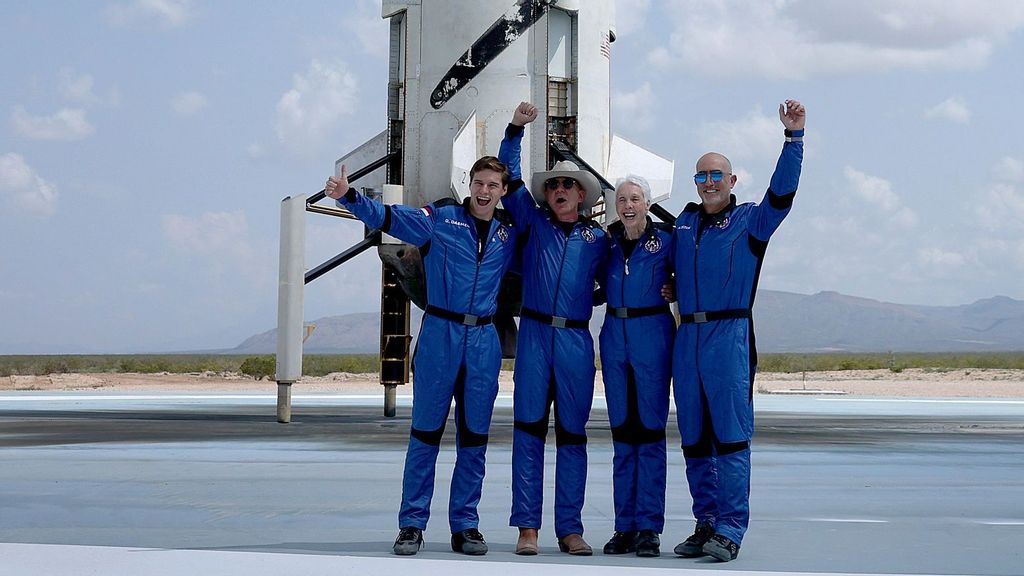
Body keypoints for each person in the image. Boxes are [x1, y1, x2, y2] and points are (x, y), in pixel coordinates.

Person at [325, 155, 518, 557]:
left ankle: (466, 525)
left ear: (502, 191)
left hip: (483, 340)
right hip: (440, 336)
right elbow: (391, 218)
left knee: (475, 439)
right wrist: (350, 198)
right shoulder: (440, 218)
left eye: (493, 186)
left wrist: (515, 131)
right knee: (425, 435)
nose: (485, 192)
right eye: (479, 183)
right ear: (470, 184)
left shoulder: (507, 234)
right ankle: (412, 524)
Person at [670, 99, 805, 562]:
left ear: (731, 181)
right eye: (701, 176)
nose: (708, 183)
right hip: (685, 339)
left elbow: (782, 194)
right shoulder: (684, 225)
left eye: (716, 176)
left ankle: (730, 527)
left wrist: (793, 140)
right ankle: (705, 522)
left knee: (729, 438)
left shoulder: (750, 222)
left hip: (728, 339)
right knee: (693, 439)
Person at [498, 101, 608, 556]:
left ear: (582, 194)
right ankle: (527, 527)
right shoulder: (533, 221)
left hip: (576, 340)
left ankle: (570, 528)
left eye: (569, 184)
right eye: (556, 184)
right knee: (527, 430)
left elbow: (621, 279)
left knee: (573, 434)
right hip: (536, 337)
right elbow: (510, 179)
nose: (560, 189)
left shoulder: (599, 240)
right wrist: (515, 131)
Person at [597, 175, 675, 558]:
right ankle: (624, 525)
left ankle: (648, 527)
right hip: (614, 337)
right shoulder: (606, 243)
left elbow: (693, 271)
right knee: (622, 434)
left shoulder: (667, 240)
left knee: (650, 432)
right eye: (622, 199)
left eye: (636, 198)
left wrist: (676, 288)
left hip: (653, 335)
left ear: (647, 203)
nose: (628, 205)